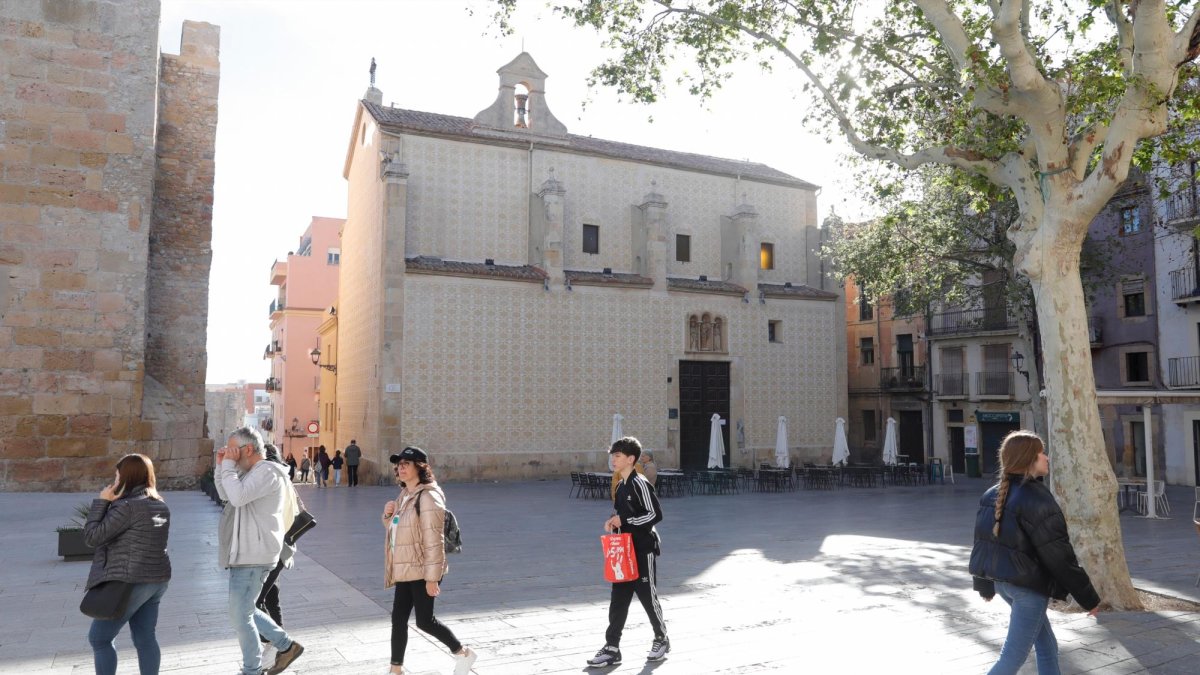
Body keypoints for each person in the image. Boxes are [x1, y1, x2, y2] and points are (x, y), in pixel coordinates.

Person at [969, 430, 1101, 675]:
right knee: (1011, 659)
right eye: (1042, 453)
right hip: (1027, 589)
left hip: (1005, 585)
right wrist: (1089, 599)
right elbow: (1059, 555)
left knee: (1047, 646)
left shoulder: (992, 493)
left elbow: (983, 543)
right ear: (1029, 459)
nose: (1047, 457)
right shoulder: (1037, 498)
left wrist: (984, 585)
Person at [216, 426, 306, 675]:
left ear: (247, 449)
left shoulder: (267, 472)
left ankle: (252, 668)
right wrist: (221, 465)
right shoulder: (252, 472)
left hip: (254, 554)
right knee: (242, 612)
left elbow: (237, 497)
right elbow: (225, 492)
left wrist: (228, 467)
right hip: (247, 553)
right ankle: (285, 646)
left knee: (240, 615)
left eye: (233, 449)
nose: (230, 453)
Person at [382, 446, 477, 675]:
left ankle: (464, 653)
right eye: (399, 464)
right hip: (405, 567)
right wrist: (387, 515)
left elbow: (434, 540)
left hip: (424, 569)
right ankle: (395, 669)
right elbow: (395, 531)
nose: (400, 468)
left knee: (424, 621)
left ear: (420, 467)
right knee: (398, 619)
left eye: (406, 463)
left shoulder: (429, 496)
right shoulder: (405, 494)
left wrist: (432, 578)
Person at [83, 454, 171, 675]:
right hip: (157, 580)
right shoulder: (159, 504)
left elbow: (92, 537)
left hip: (130, 581)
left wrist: (102, 501)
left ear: (126, 477)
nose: (114, 480)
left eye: (117, 475)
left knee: (99, 638)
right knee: (145, 638)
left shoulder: (127, 507)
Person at [589, 436, 668, 668]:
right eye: (613, 455)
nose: (613, 459)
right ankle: (612, 648)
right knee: (618, 601)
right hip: (623, 552)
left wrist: (625, 519)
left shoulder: (639, 482)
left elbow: (655, 515)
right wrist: (613, 522)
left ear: (630, 459)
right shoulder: (621, 486)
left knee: (647, 596)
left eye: (618, 456)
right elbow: (623, 515)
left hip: (643, 549)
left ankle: (661, 638)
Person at [256, 444, 306, 668]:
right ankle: (277, 646)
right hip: (281, 547)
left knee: (253, 602)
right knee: (271, 596)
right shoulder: (282, 478)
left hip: (274, 548)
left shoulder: (273, 480)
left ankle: (279, 643)